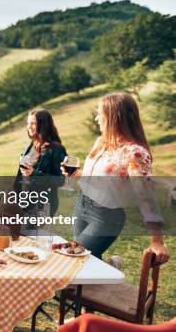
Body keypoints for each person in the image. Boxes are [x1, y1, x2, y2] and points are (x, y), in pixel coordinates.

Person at [63, 92, 169, 264]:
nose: (97, 118)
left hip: (106, 217)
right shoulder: (101, 142)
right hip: (82, 205)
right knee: (87, 260)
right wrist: (77, 174)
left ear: (114, 117)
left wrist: (157, 241)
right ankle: (110, 265)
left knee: (75, 260)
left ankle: (108, 267)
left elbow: (146, 197)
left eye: (100, 114)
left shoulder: (135, 153)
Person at [15, 109, 66, 217]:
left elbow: (60, 180)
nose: (29, 126)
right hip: (24, 203)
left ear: (43, 125)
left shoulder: (56, 149)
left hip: (41, 206)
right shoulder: (31, 145)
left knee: (28, 233)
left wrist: (33, 173)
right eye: (28, 123)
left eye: (33, 123)